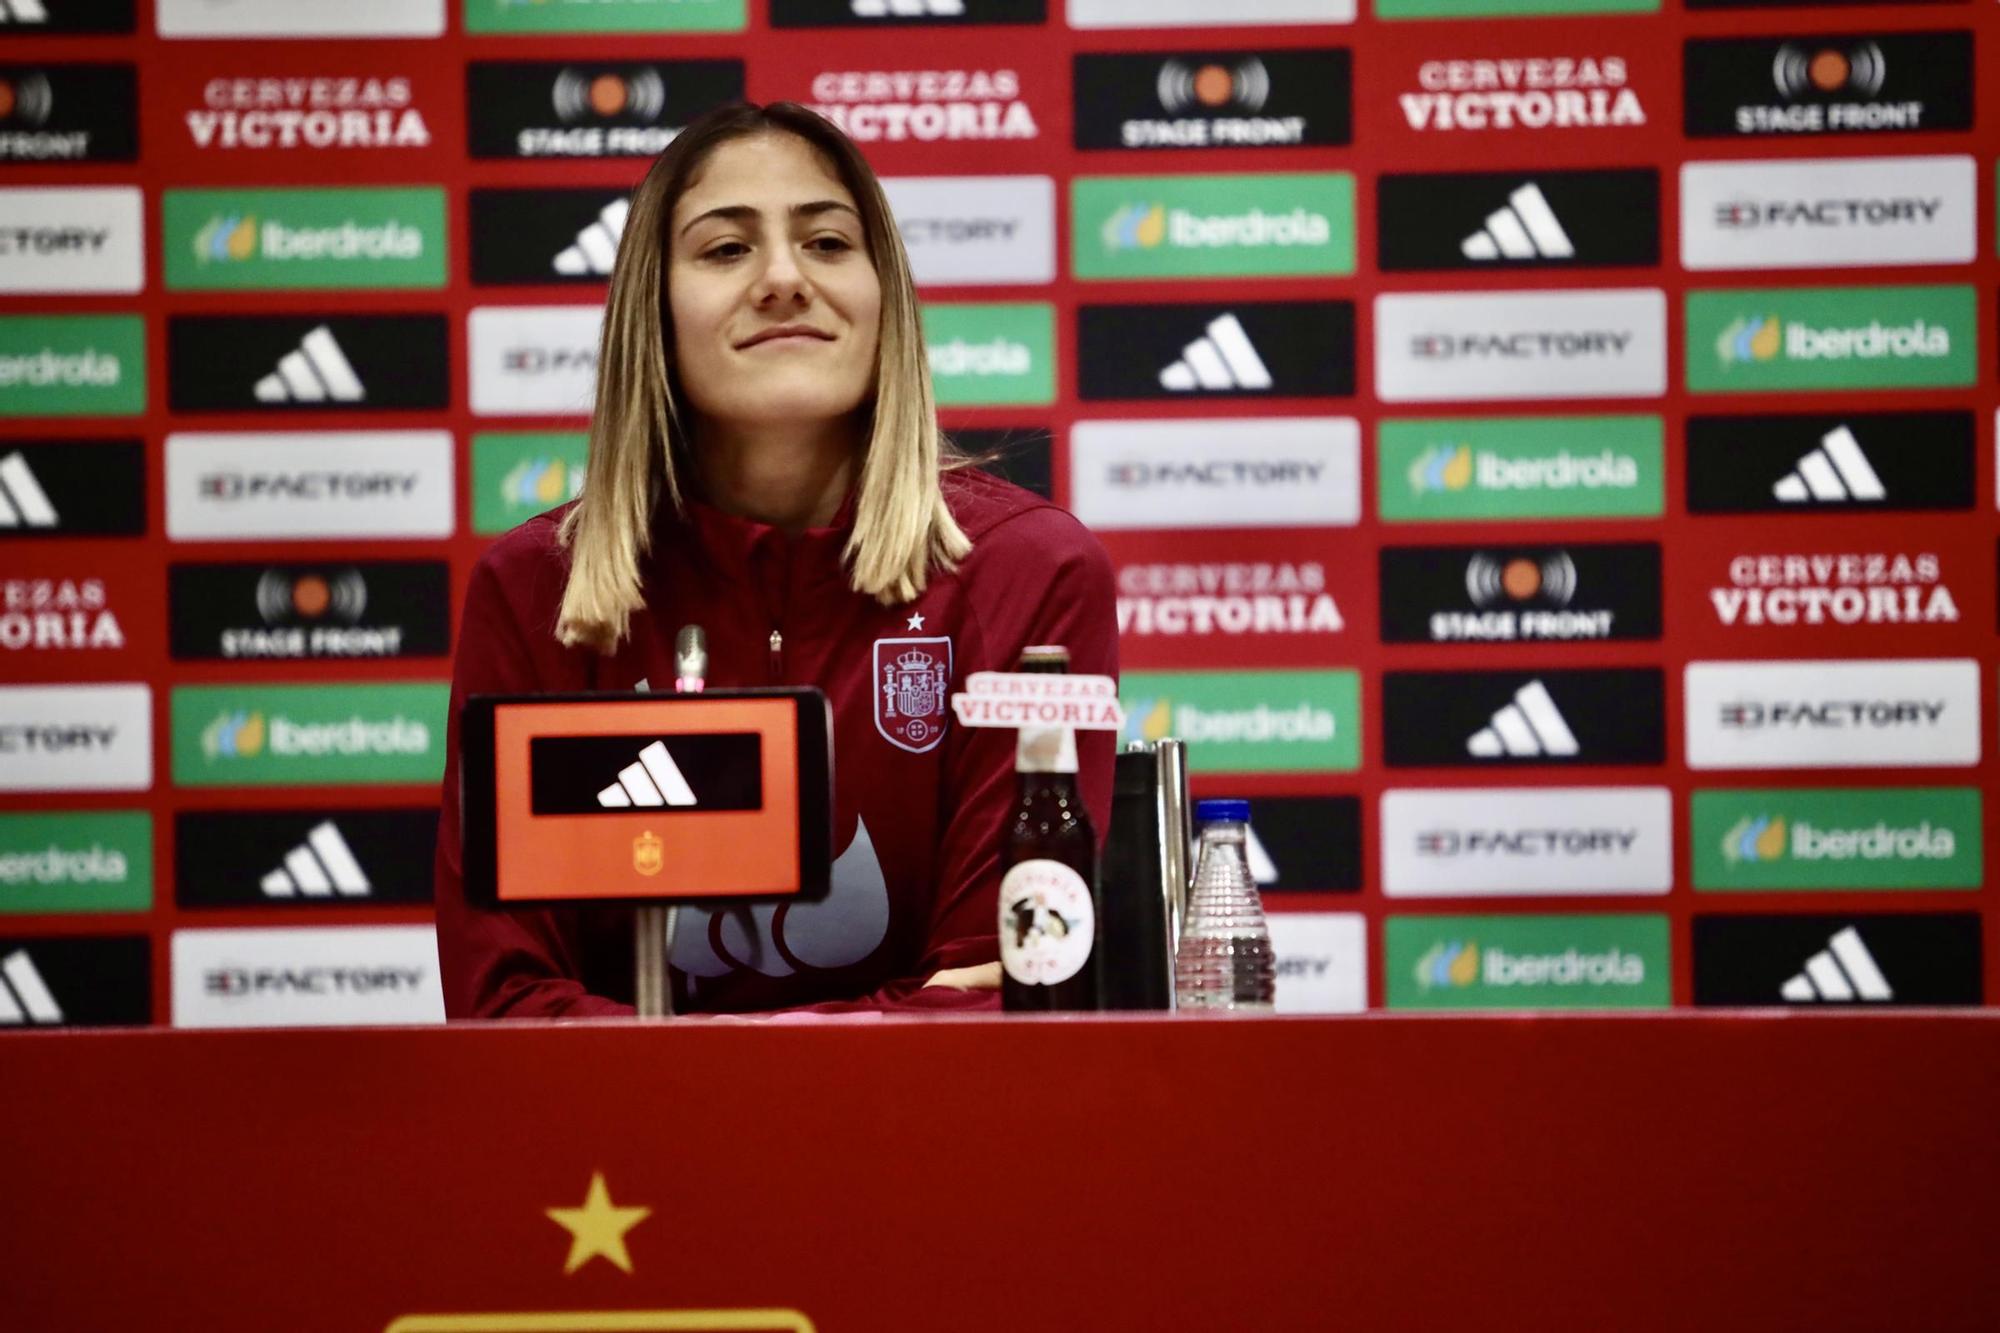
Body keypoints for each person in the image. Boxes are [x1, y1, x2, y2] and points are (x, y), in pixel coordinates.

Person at [432, 102, 1117, 1016]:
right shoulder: (533, 590)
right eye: (725, 250)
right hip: (623, 1157)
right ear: (655, 309)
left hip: (931, 1151)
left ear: (884, 296)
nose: (784, 279)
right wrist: (859, 1031)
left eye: (828, 243)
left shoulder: (1028, 571)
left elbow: (997, 998)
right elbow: (505, 1004)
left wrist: (719, 1059)